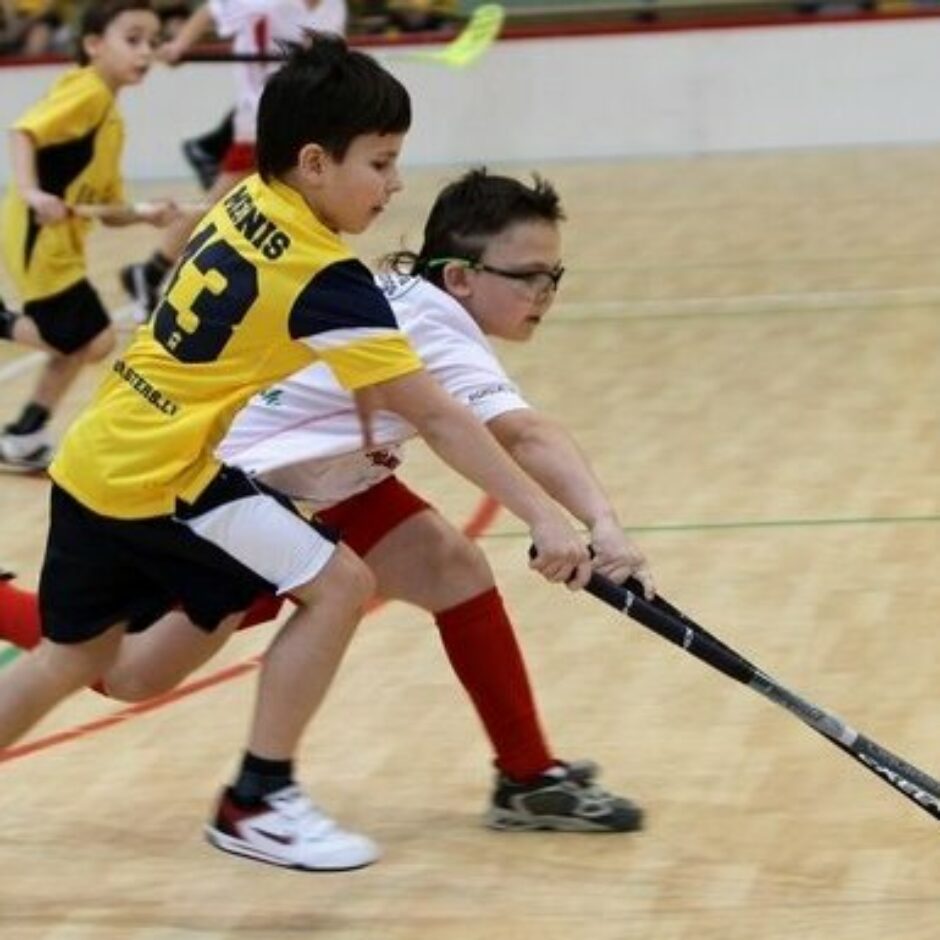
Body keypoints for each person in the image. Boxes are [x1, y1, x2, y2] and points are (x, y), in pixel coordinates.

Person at [0, 33, 593, 873]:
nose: (394, 185)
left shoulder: (248, 199)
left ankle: (262, 796)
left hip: (101, 453)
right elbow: (440, 417)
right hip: (166, 479)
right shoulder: (326, 278)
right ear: (314, 163)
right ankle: (257, 801)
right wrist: (544, 515)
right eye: (380, 164)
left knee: (92, 663)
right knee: (338, 584)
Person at [0, 0, 179, 470]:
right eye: (133, 39)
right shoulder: (87, 90)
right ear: (94, 44)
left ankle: (24, 434)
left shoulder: (111, 120)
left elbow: (109, 211)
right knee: (92, 339)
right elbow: (22, 133)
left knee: (82, 341)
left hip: (64, 242)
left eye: (153, 41)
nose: (146, 51)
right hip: (38, 236)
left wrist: (145, 214)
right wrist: (31, 192)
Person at [120, 0, 348, 318]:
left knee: (314, 199)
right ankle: (151, 271)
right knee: (226, 204)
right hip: (261, 119)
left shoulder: (335, 6)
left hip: (304, 118)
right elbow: (212, 9)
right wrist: (179, 45)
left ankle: (151, 272)